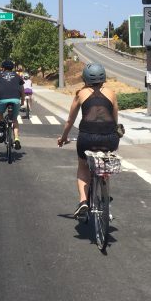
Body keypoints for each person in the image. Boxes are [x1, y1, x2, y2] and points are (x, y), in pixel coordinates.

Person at [57, 62, 120, 217]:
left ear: (85, 78)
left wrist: (63, 138)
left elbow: (70, 121)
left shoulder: (80, 94)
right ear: (103, 77)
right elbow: (115, 119)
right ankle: (104, 189)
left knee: (83, 167)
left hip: (87, 138)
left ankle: (83, 201)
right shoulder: (111, 93)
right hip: (109, 138)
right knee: (105, 161)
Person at [0, 59, 25, 149]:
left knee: (0, 113)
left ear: (3, 68)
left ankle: (2, 125)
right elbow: (22, 90)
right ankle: (17, 139)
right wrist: (22, 100)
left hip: (2, 99)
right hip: (15, 99)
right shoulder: (18, 76)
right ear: (12, 68)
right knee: (14, 119)